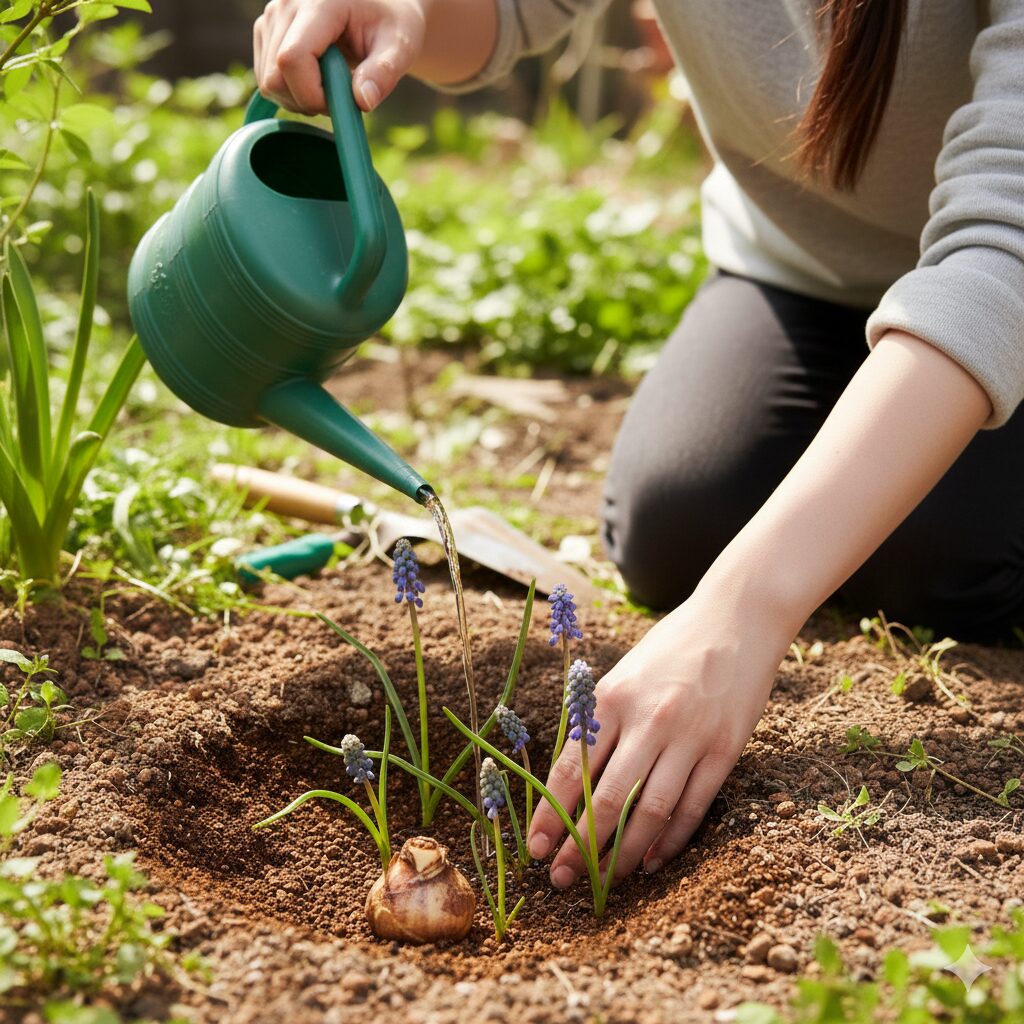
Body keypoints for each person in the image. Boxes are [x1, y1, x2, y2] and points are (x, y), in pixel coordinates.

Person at [253, 0, 1024, 890]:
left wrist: (746, 613)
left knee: (951, 555)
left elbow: (1001, 249)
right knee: (680, 525)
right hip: (806, 274)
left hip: (995, 273)